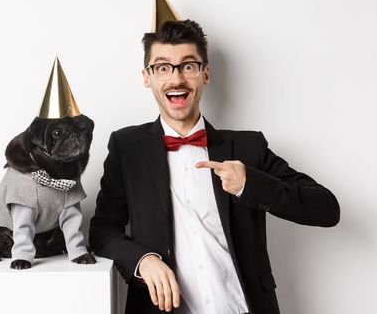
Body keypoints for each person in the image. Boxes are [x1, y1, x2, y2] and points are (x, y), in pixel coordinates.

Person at [88, 18, 340, 314]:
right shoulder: (127, 146)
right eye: (163, 67)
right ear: (147, 77)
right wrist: (144, 260)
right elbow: (102, 230)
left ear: (205, 74)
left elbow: (326, 209)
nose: (176, 79)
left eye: (188, 66)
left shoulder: (248, 147)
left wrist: (251, 185)